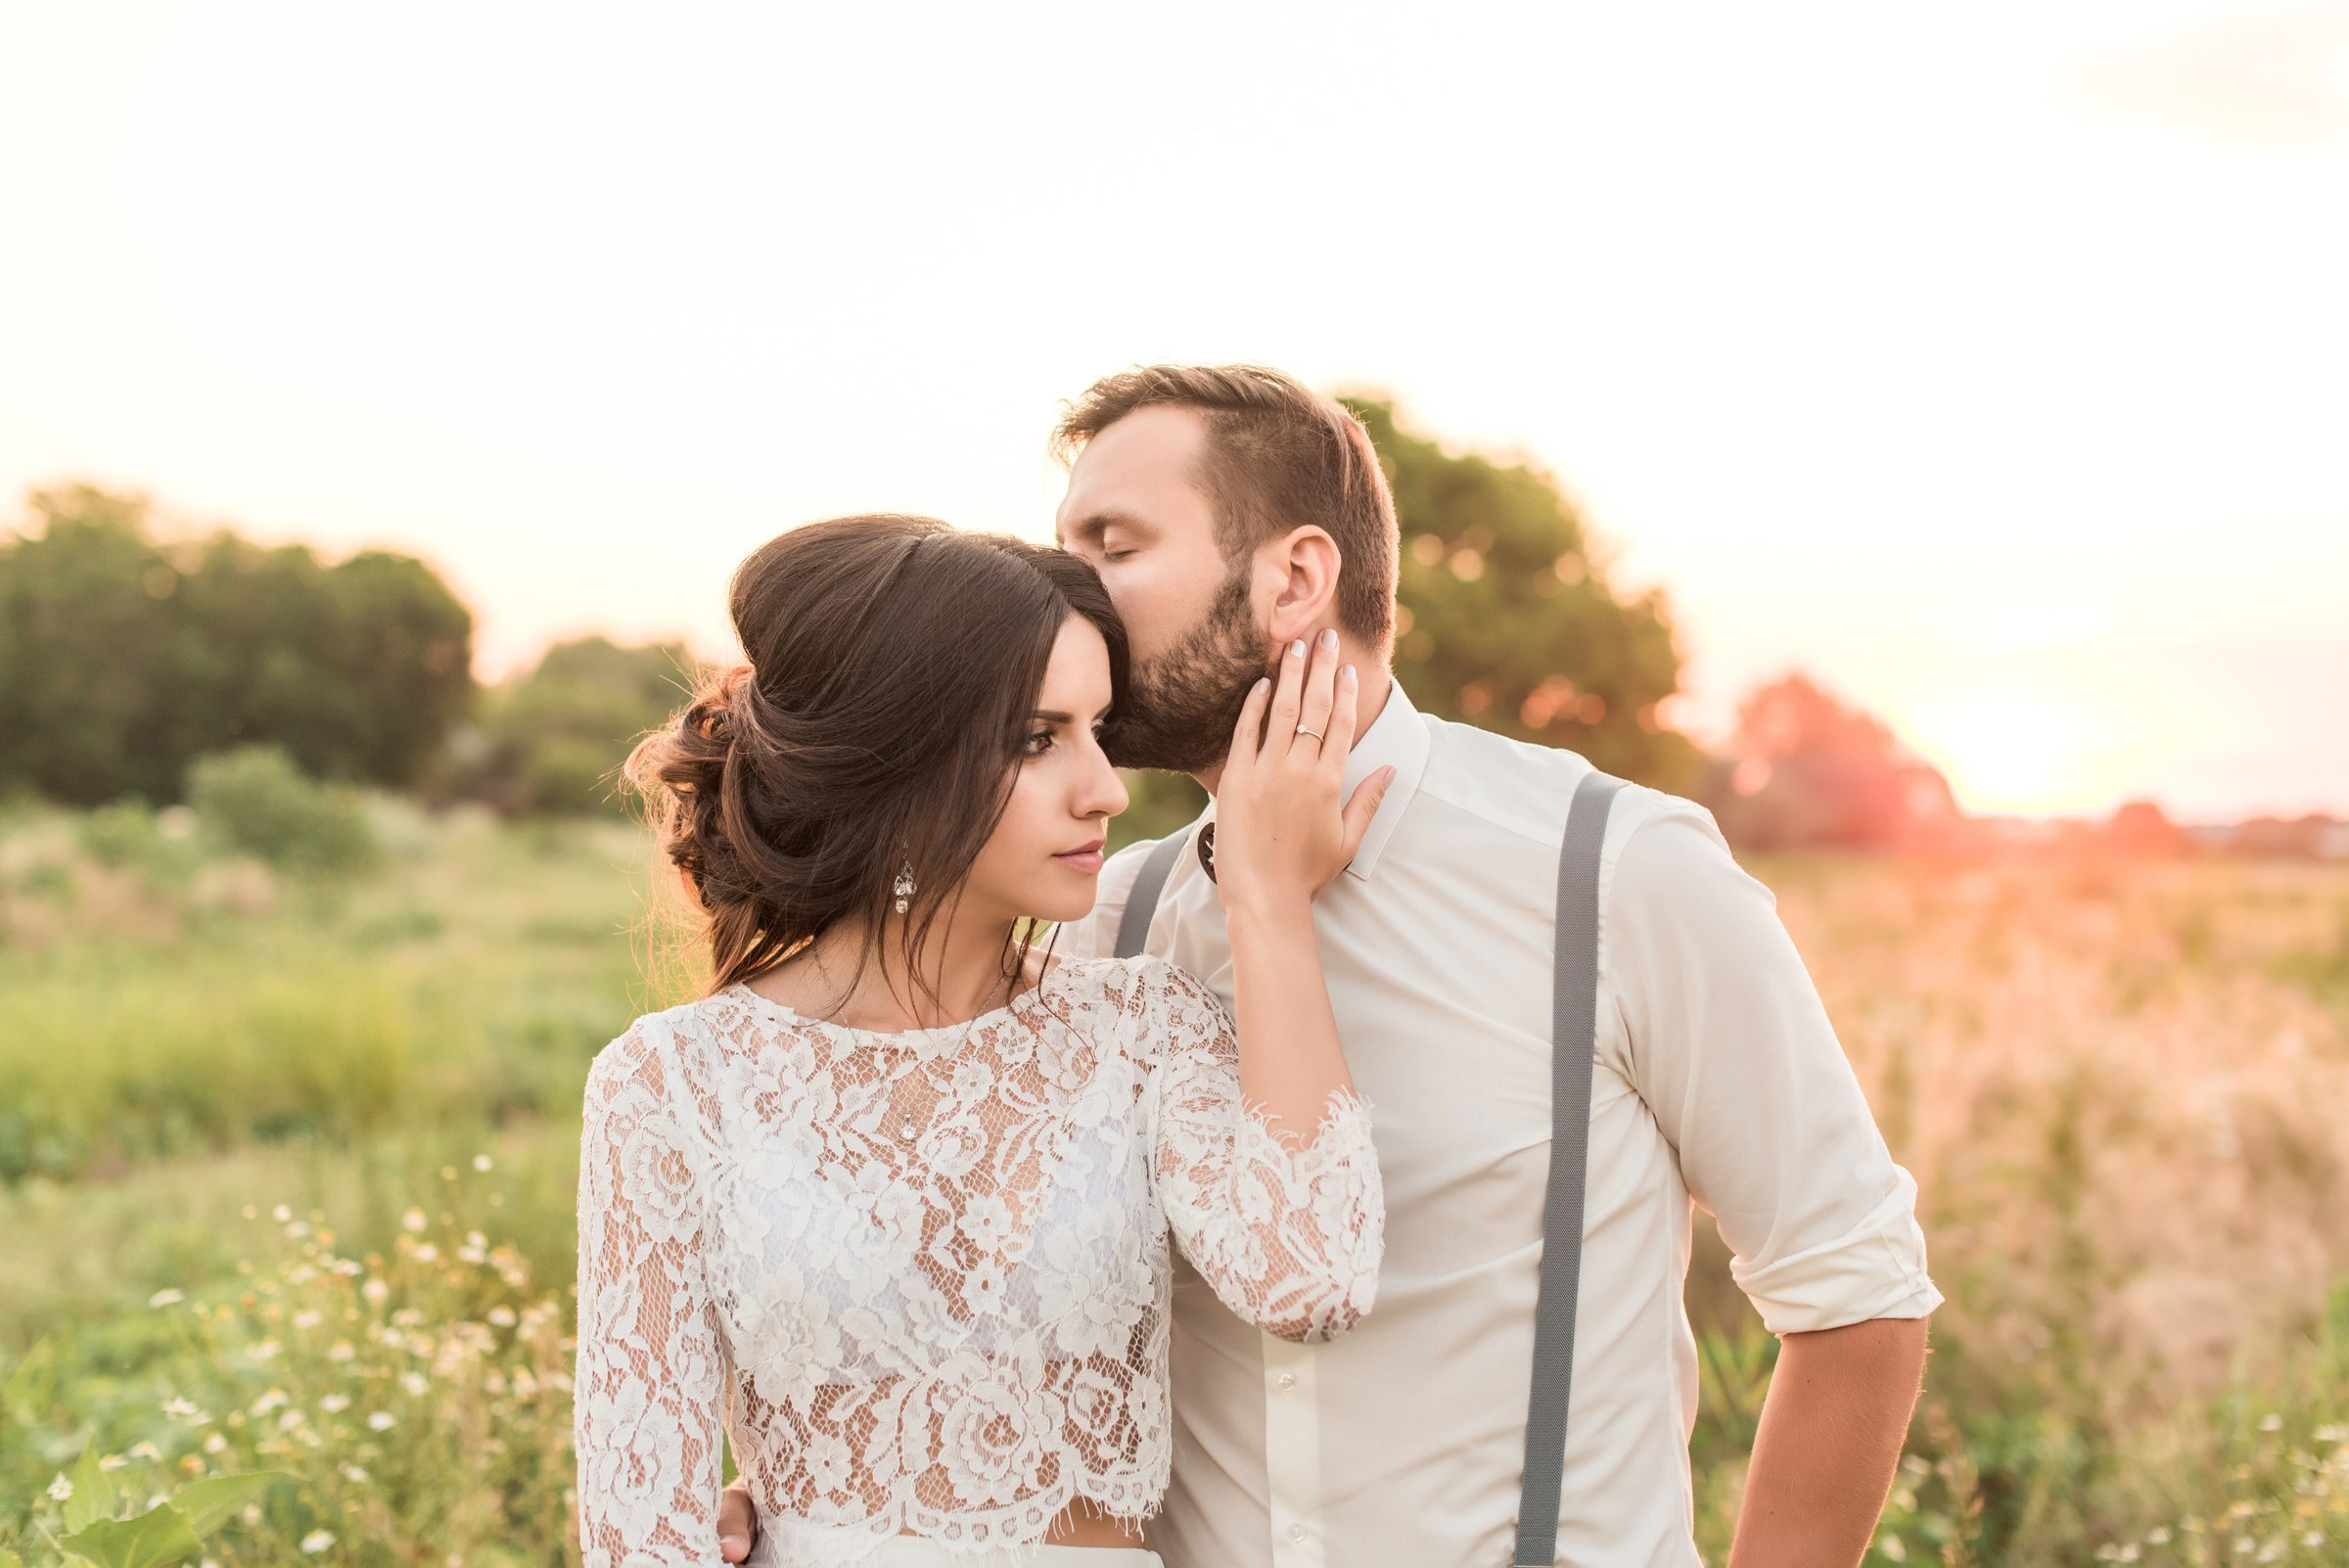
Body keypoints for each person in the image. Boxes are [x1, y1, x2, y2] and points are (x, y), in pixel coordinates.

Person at [719, 368, 1941, 1567]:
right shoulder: (1114, 922)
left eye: (1113, 546)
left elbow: (1857, 1293)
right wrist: (811, 1511)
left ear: (1295, 578)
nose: (1062, 594)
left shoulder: (1617, 873)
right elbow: (980, 1324)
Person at [575, 515, 1391, 1568]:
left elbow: (1312, 1279)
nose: (1104, 788)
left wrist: (1270, 900)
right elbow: (640, 1536)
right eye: (1038, 738)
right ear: (897, 763)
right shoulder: (674, 1083)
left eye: (1098, 730)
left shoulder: (1142, 1029)